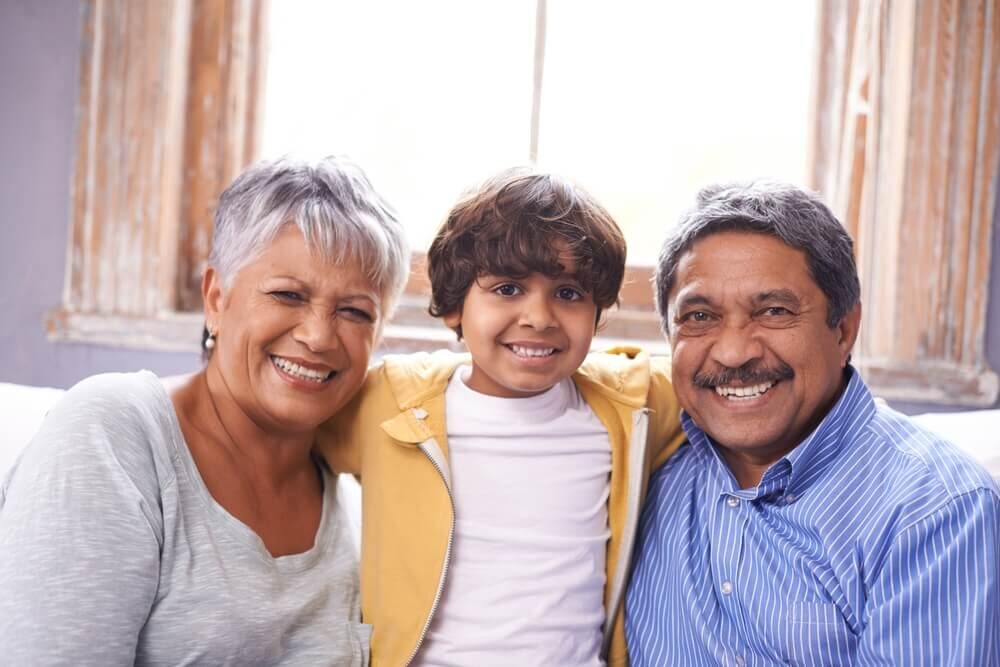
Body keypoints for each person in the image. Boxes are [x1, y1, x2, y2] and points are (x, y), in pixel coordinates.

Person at [0, 157, 409, 664]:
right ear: (216, 297)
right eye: (287, 295)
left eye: (354, 311)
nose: (319, 336)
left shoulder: (353, 493)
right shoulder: (112, 431)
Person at [317, 168, 686, 666]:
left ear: (598, 314)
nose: (539, 317)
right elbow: (278, 430)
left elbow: (713, 375)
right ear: (453, 307)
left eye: (569, 293)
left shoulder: (633, 405)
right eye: (508, 289)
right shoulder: (387, 401)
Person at [626, 181, 1000, 665]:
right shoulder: (644, 461)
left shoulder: (936, 510)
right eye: (699, 316)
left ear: (844, 329)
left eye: (774, 311)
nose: (735, 351)